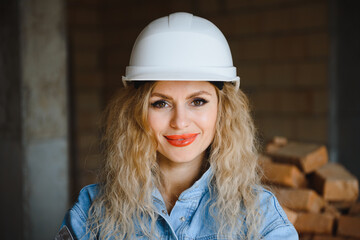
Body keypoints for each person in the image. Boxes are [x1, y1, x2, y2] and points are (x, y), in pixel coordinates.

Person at [56, 12, 298, 240]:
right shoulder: (92, 211)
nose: (180, 122)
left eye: (198, 101)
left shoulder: (260, 216)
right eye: (160, 103)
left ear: (223, 110)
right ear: (136, 112)